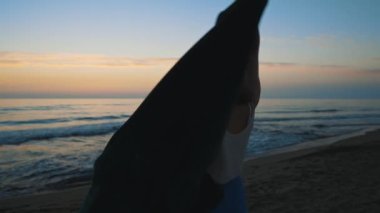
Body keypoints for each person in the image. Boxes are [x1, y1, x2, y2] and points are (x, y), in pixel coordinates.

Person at [207, 26, 261, 213]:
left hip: (210, 197)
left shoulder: (212, 115)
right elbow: (253, 73)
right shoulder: (249, 107)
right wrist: (251, 34)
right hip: (234, 191)